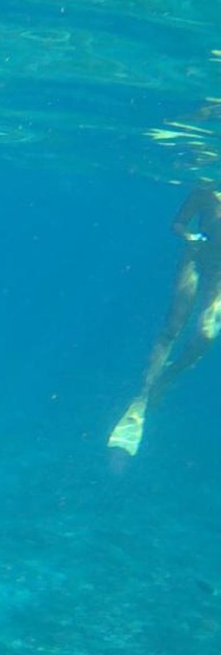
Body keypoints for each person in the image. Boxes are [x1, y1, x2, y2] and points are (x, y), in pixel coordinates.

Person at [108, 182, 221, 455]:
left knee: (206, 335)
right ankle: (142, 395)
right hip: (195, 259)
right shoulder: (206, 193)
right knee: (174, 325)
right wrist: (191, 237)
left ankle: (166, 380)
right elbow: (178, 223)